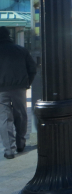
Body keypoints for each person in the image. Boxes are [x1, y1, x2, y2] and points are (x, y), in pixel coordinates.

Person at [0, 27, 37, 159]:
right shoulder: (21, 50)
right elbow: (33, 69)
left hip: (1, 91)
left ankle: (9, 150)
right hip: (19, 88)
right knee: (21, 115)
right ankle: (21, 143)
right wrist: (27, 84)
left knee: (4, 119)